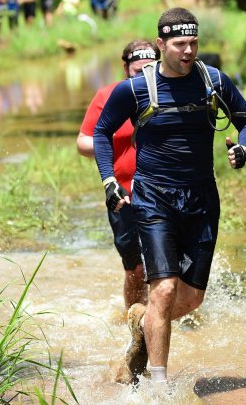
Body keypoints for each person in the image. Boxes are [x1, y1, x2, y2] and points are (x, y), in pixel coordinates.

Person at [93, 7, 246, 389]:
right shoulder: (136, 88)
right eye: (179, 43)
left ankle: (142, 323)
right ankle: (158, 386)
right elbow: (102, 132)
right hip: (152, 199)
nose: (188, 51)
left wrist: (245, 149)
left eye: (193, 42)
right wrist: (108, 179)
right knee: (164, 289)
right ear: (161, 44)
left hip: (202, 198)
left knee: (188, 300)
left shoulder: (213, 81)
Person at [77, 40, 160, 313]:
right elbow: (83, 143)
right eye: (138, 71)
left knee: (170, 261)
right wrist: (105, 140)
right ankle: (135, 325)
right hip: (122, 194)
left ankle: (171, 320)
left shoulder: (171, 92)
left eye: (150, 69)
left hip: (163, 190)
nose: (144, 77)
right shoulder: (108, 96)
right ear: (125, 68)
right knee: (135, 267)